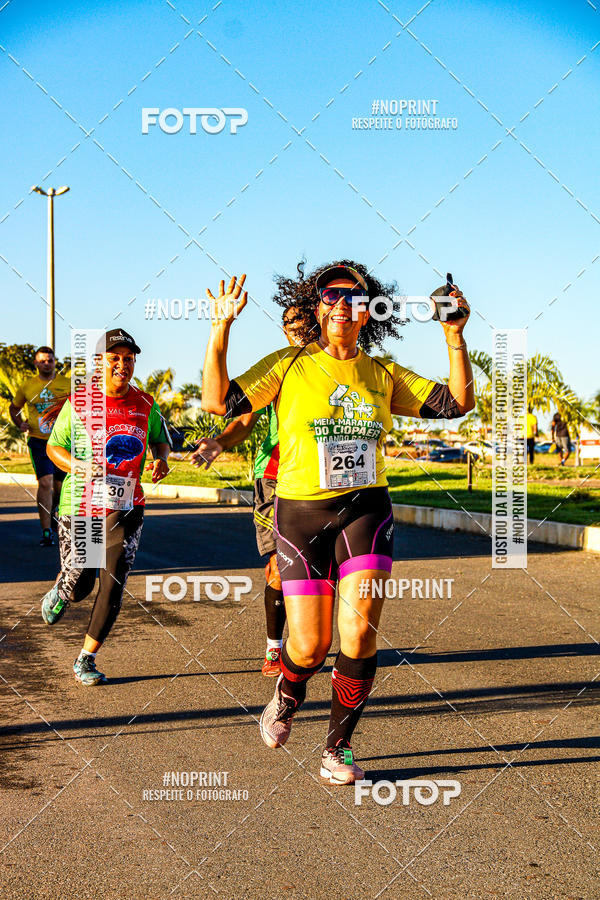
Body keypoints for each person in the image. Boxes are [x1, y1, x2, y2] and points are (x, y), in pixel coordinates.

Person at [201, 262, 474, 784]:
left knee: (360, 629)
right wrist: (221, 328)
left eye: (357, 296)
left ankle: (338, 746)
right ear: (318, 304)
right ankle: (286, 694)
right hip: (302, 513)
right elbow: (219, 402)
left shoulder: (382, 373)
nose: (345, 303)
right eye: (333, 293)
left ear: (371, 310)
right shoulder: (288, 364)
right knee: (308, 645)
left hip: (365, 509)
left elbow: (457, 403)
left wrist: (454, 335)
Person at [191, 305, 317, 676]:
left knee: (320, 568)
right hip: (275, 476)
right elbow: (243, 420)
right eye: (292, 324)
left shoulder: (339, 365)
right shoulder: (280, 367)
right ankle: (276, 648)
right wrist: (219, 442)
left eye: (306, 322)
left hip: (322, 479)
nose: (300, 330)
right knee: (279, 568)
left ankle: (310, 640)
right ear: (283, 330)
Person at [40, 329, 171, 685]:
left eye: (128, 359)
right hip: (82, 504)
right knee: (81, 582)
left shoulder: (145, 403)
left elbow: (161, 442)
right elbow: (55, 448)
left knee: (112, 583)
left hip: (126, 505)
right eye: (114, 358)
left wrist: (161, 460)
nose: (122, 364)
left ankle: (86, 658)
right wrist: (79, 466)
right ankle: (64, 588)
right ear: (100, 362)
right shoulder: (80, 402)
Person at [9, 346, 71, 545]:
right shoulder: (28, 386)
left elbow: (80, 406)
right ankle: (47, 532)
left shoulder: (67, 384)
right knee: (45, 482)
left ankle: (55, 513)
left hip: (63, 442)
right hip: (38, 441)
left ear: (55, 362)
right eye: (42, 361)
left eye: (50, 360)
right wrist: (20, 424)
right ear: (36, 363)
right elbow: (14, 408)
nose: (46, 364)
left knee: (60, 486)